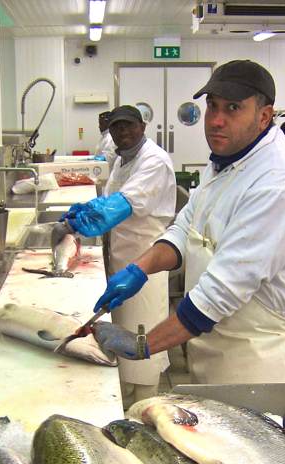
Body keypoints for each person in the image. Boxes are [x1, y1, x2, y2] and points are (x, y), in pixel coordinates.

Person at [91, 60, 285, 385]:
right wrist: (140, 269)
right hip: (213, 338)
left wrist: (144, 345)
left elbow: (223, 290)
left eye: (233, 108)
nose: (216, 120)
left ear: (264, 116)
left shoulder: (278, 184)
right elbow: (187, 227)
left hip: (257, 355)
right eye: (212, 106)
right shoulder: (224, 162)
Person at [58, 104, 176, 408]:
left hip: (146, 258)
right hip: (122, 253)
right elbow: (111, 198)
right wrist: (89, 208)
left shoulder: (154, 161)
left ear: (142, 127)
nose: (123, 132)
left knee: (144, 330)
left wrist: (83, 220)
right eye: (116, 127)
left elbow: (122, 205)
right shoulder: (123, 159)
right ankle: (125, 398)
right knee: (122, 330)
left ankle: (146, 403)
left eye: (128, 125)